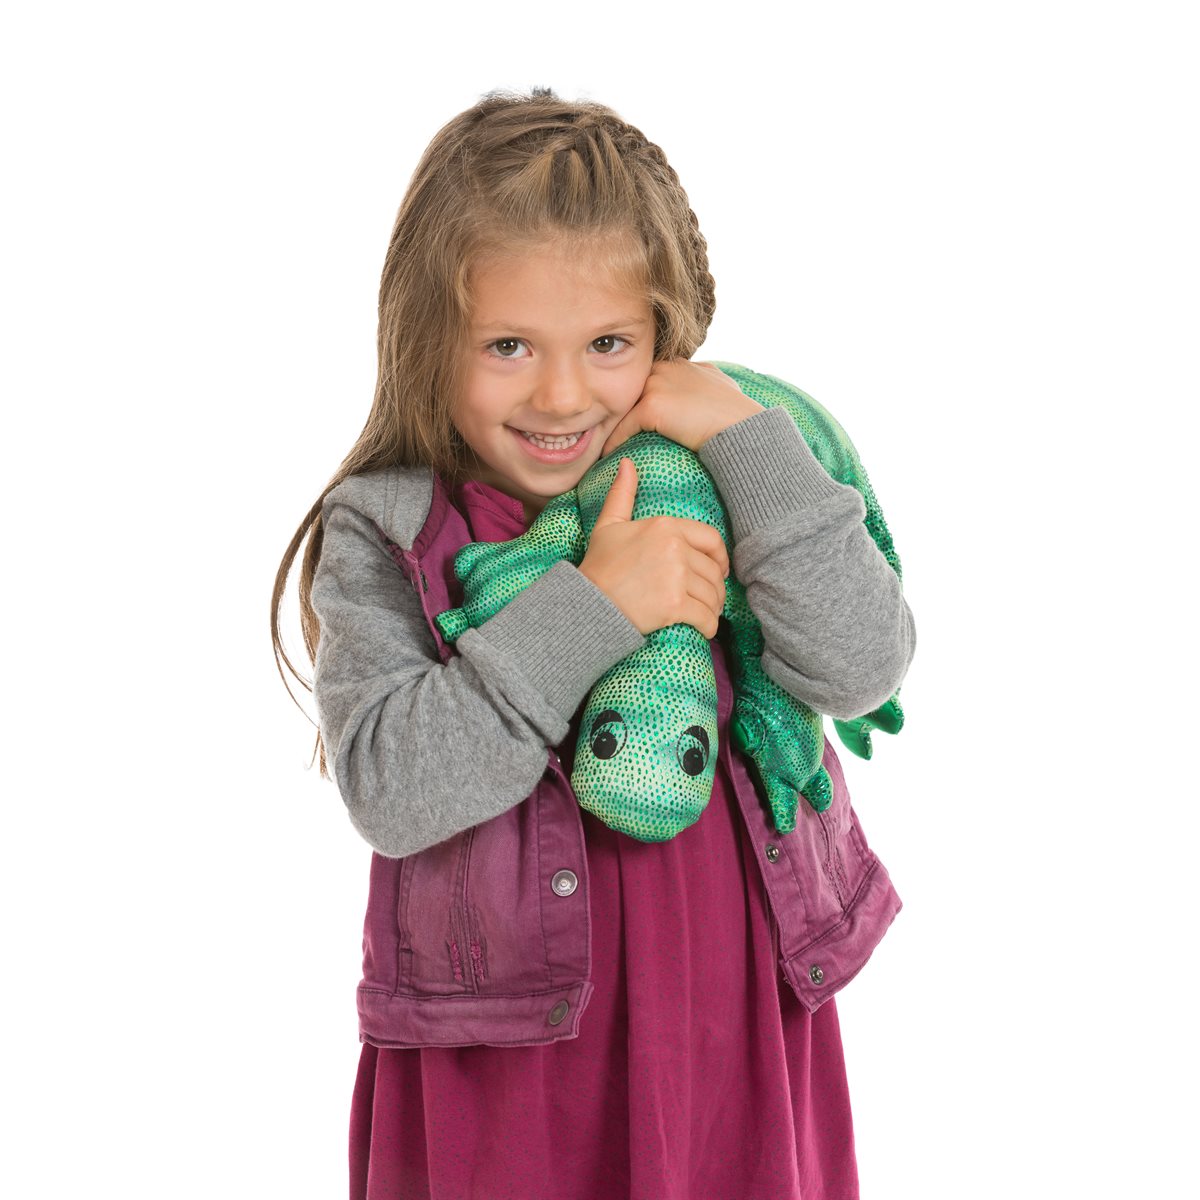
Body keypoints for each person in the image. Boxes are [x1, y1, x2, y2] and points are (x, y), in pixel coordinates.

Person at [271, 86, 916, 1200]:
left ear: (667, 341)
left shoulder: (719, 476)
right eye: (510, 345)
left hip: (728, 1043)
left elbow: (861, 666)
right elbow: (392, 784)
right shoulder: (391, 530)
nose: (563, 392)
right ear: (433, 339)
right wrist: (594, 607)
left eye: (608, 342)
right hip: (499, 1076)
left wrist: (747, 446)